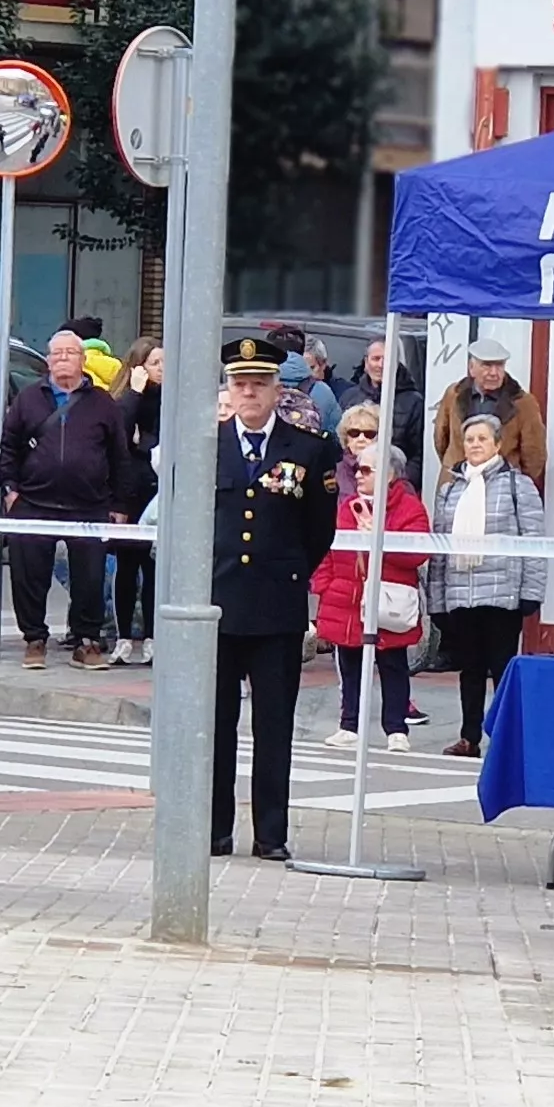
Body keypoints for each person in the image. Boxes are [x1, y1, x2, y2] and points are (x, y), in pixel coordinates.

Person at [208, 334, 341, 860]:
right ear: (229, 389)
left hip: (276, 609)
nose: (249, 393)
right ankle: (214, 830)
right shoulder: (207, 445)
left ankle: (270, 835)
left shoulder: (308, 448)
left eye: (259, 384)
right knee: (215, 727)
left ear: (276, 390)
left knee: (274, 726)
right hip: (217, 607)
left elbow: (319, 530)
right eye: (240, 384)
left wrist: (288, 572)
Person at [0, 328, 129, 671]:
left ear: (83, 360)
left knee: (90, 577)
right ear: (47, 360)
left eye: (70, 353)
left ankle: (86, 641)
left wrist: (119, 504)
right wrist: (10, 488)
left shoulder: (103, 403)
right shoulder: (28, 399)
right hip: (33, 502)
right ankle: (34, 639)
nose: (62, 359)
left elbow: (119, 455)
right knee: (29, 575)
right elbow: (9, 446)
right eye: (56, 353)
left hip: (89, 503)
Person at [423, 412, 544, 759]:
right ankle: (469, 737)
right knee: (470, 669)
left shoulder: (517, 485)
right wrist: (436, 600)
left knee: (503, 669)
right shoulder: (450, 489)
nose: (475, 445)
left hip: (503, 593)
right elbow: (441, 547)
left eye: (482, 439)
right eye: (470, 439)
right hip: (461, 593)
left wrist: (531, 592)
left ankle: (507, 740)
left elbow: (534, 540)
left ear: (498, 444)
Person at [315, 428, 428, 751]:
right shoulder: (347, 506)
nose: (358, 475)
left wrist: (379, 539)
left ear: (389, 474)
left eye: (366, 470)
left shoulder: (409, 508)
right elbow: (328, 548)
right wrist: (325, 586)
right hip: (346, 598)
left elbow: (417, 554)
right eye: (357, 468)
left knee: (393, 665)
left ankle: (396, 729)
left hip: (387, 598)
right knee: (349, 665)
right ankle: (349, 724)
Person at [111, 336, 164, 666]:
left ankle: (152, 637)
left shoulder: (169, 399)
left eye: (164, 362)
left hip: (158, 492)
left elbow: (158, 441)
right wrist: (135, 391)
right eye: (155, 363)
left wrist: (142, 442)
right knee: (126, 568)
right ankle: (123, 637)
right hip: (130, 495)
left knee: (154, 568)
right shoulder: (127, 398)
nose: (162, 369)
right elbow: (119, 435)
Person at [430, 338, 547, 484]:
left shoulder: (523, 403)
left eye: (499, 365)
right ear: (471, 367)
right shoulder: (453, 394)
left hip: (501, 485)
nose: (494, 373)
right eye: (487, 365)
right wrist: (454, 464)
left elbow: (534, 454)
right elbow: (441, 438)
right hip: (455, 482)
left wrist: (515, 484)